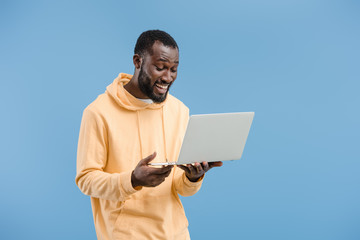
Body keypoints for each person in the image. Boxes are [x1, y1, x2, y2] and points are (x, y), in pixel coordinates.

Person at [75, 30, 222, 240]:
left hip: (176, 234)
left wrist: (193, 176)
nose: (167, 77)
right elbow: (86, 179)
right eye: (160, 67)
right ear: (137, 61)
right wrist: (132, 179)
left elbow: (182, 189)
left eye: (173, 69)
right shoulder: (98, 113)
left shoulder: (179, 111)